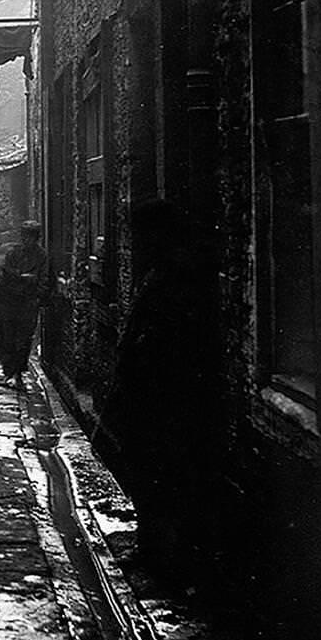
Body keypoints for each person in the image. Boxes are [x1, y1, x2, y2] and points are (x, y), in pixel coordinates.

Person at [100, 199, 217, 581]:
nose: (137, 243)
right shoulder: (158, 273)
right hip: (146, 392)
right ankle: (152, 545)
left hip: (163, 395)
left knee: (159, 472)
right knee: (141, 467)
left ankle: (164, 554)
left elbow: (171, 340)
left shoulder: (177, 276)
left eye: (142, 235)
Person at [0, 220, 51, 387]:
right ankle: (10, 373)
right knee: (9, 337)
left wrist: (37, 295)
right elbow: (6, 273)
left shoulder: (41, 256)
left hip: (28, 303)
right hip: (11, 302)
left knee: (24, 340)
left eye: (30, 236)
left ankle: (18, 374)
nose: (26, 240)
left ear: (36, 238)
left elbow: (43, 279)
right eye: (25, 236)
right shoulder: (14, 254)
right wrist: (23, 277)